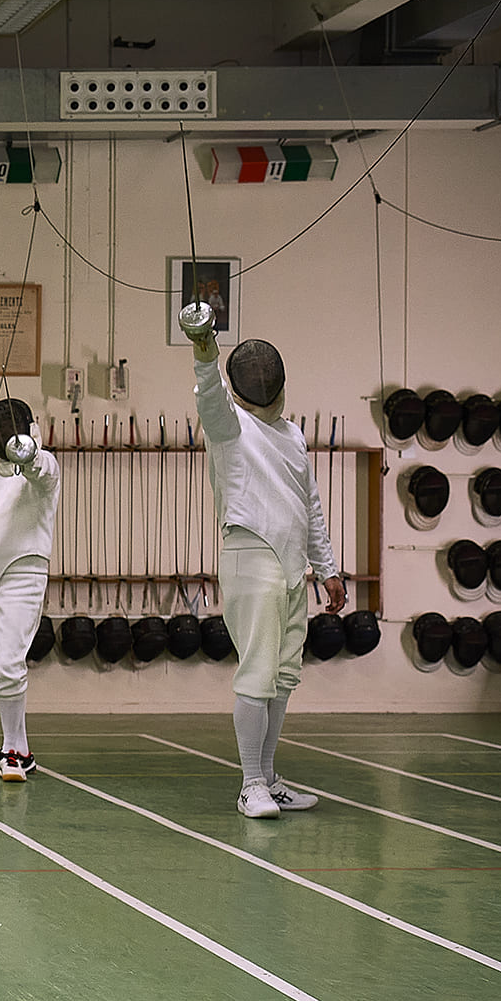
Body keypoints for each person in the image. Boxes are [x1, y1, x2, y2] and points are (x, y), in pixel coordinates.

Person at [181, 307, 344, 818]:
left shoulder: (293, 436)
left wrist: (329, 567)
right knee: (257, 673)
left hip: (295, 567)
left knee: (282, 676)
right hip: (252, 556)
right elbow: (210, 396)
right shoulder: (230, 428)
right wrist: (204, 346)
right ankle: (250, 783)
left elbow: (309, 506)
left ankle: (268, 778)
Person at [0, 399, 60, 782]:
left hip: (23, 573)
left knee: (9, 664)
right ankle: (18, 751)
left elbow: (41, 470)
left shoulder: (43, 467)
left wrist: (27, 454)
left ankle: (13, 751)